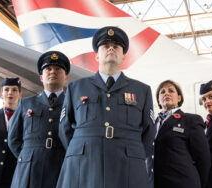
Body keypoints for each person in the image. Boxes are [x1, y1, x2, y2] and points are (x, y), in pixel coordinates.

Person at [57, 26, 156, 188]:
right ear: (96, 56)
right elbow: (65, 127)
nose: (111, 48)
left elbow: (149, 130)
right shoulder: (76, 88)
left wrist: (134, 154)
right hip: (84, 165)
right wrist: (83, 148)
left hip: (127, 167)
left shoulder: (142, 90)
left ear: (124, 56)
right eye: (105, 46)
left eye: (116, 46)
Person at [8, 51, 70, 188]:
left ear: (65, 77)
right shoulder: (25, 104)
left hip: (60, 168)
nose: (53, 72)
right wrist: (28, 157)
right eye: (48, 69)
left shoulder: (72, 105)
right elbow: (13, 139)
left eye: (58, 69)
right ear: (41, 77)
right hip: (29, 170)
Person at [154, 80, 211, 188]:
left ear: (179, 98)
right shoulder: (152, 124)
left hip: (183, 182)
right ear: (158, 100)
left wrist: (200, 184)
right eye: (162, 92)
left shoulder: (190, 120)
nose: (166, 93)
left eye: (171, 91)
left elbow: (203, 158)